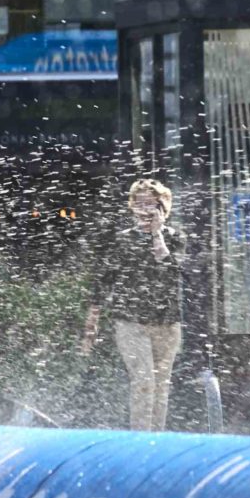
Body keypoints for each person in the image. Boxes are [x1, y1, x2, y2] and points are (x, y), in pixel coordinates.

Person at [84, 178, 188, 429]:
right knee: (144, 382)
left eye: (150, 204)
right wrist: (90, 326)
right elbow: (102, 282)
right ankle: (140, 437)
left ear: (162, 207)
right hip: (131, 322)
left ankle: (157, 439)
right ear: (131, 207)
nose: (144, 209)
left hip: (167, 323)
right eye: (139, 203)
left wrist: (157, 234)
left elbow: (171, 268)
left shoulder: (176, 238)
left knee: (161, 385)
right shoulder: (122, 240)